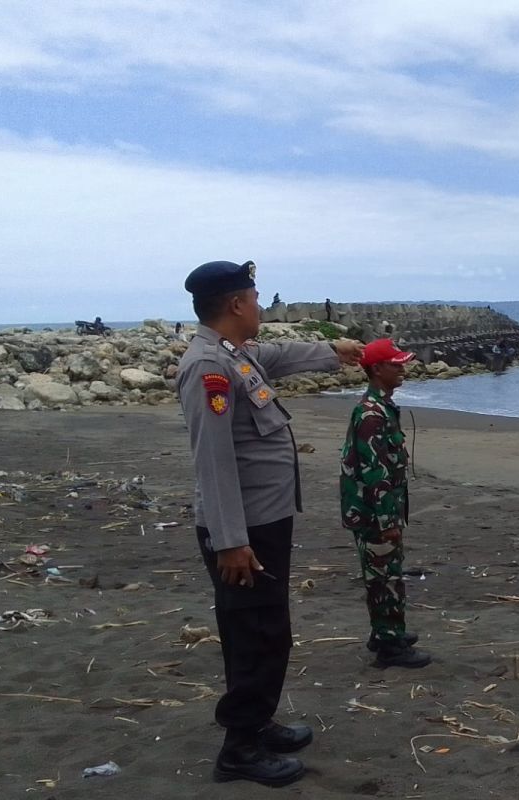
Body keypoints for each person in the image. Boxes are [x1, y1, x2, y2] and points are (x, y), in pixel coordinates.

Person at [175, 259, 363, 786]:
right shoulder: (208, 368)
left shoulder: (236, 356)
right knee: (257, 633)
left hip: (264, 522)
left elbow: (277, 355)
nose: (261, 306)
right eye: (255, 298)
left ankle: (256, 722)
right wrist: (230, 541)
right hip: (244, 531)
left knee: (262, 628)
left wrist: (335, 351)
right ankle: (239, 749)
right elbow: (213, 461)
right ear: (236, 304)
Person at [340, 339, 432, 669]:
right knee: (385, 577)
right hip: (373, 513)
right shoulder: (371, 414)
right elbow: (374, 471)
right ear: (377, 369)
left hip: (378, 510)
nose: (403, 369)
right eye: (396, 364)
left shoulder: (381, 407)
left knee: (385, 574)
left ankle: (385, 632)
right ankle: (390, 645)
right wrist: (388, 520)